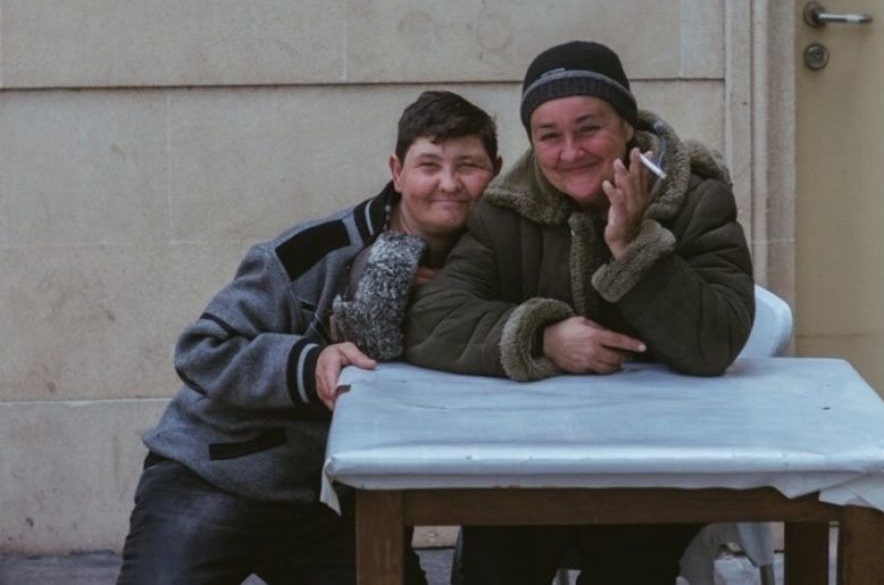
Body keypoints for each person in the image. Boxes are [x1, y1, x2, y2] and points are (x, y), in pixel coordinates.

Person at [404, 42, 755, 585]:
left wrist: (635, 247)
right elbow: (431, 318)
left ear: (628, 127)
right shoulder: (507, 208)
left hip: (663, 457)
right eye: (549, 136)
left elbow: (717, 341)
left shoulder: (694, 198)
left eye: (588, 129)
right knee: (496, 552)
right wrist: (541, 337)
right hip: (535, 455)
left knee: (629, 561)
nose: (570, 152)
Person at [116, 90, 501, 585]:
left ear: (495, 173)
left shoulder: (493, 264)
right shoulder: (313, 251)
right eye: (429, 165)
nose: (449, 183)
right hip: (214, 475)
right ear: (397, 171)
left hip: (330, 503)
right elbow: (201, 350)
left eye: (468, 165)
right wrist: (309, 363)